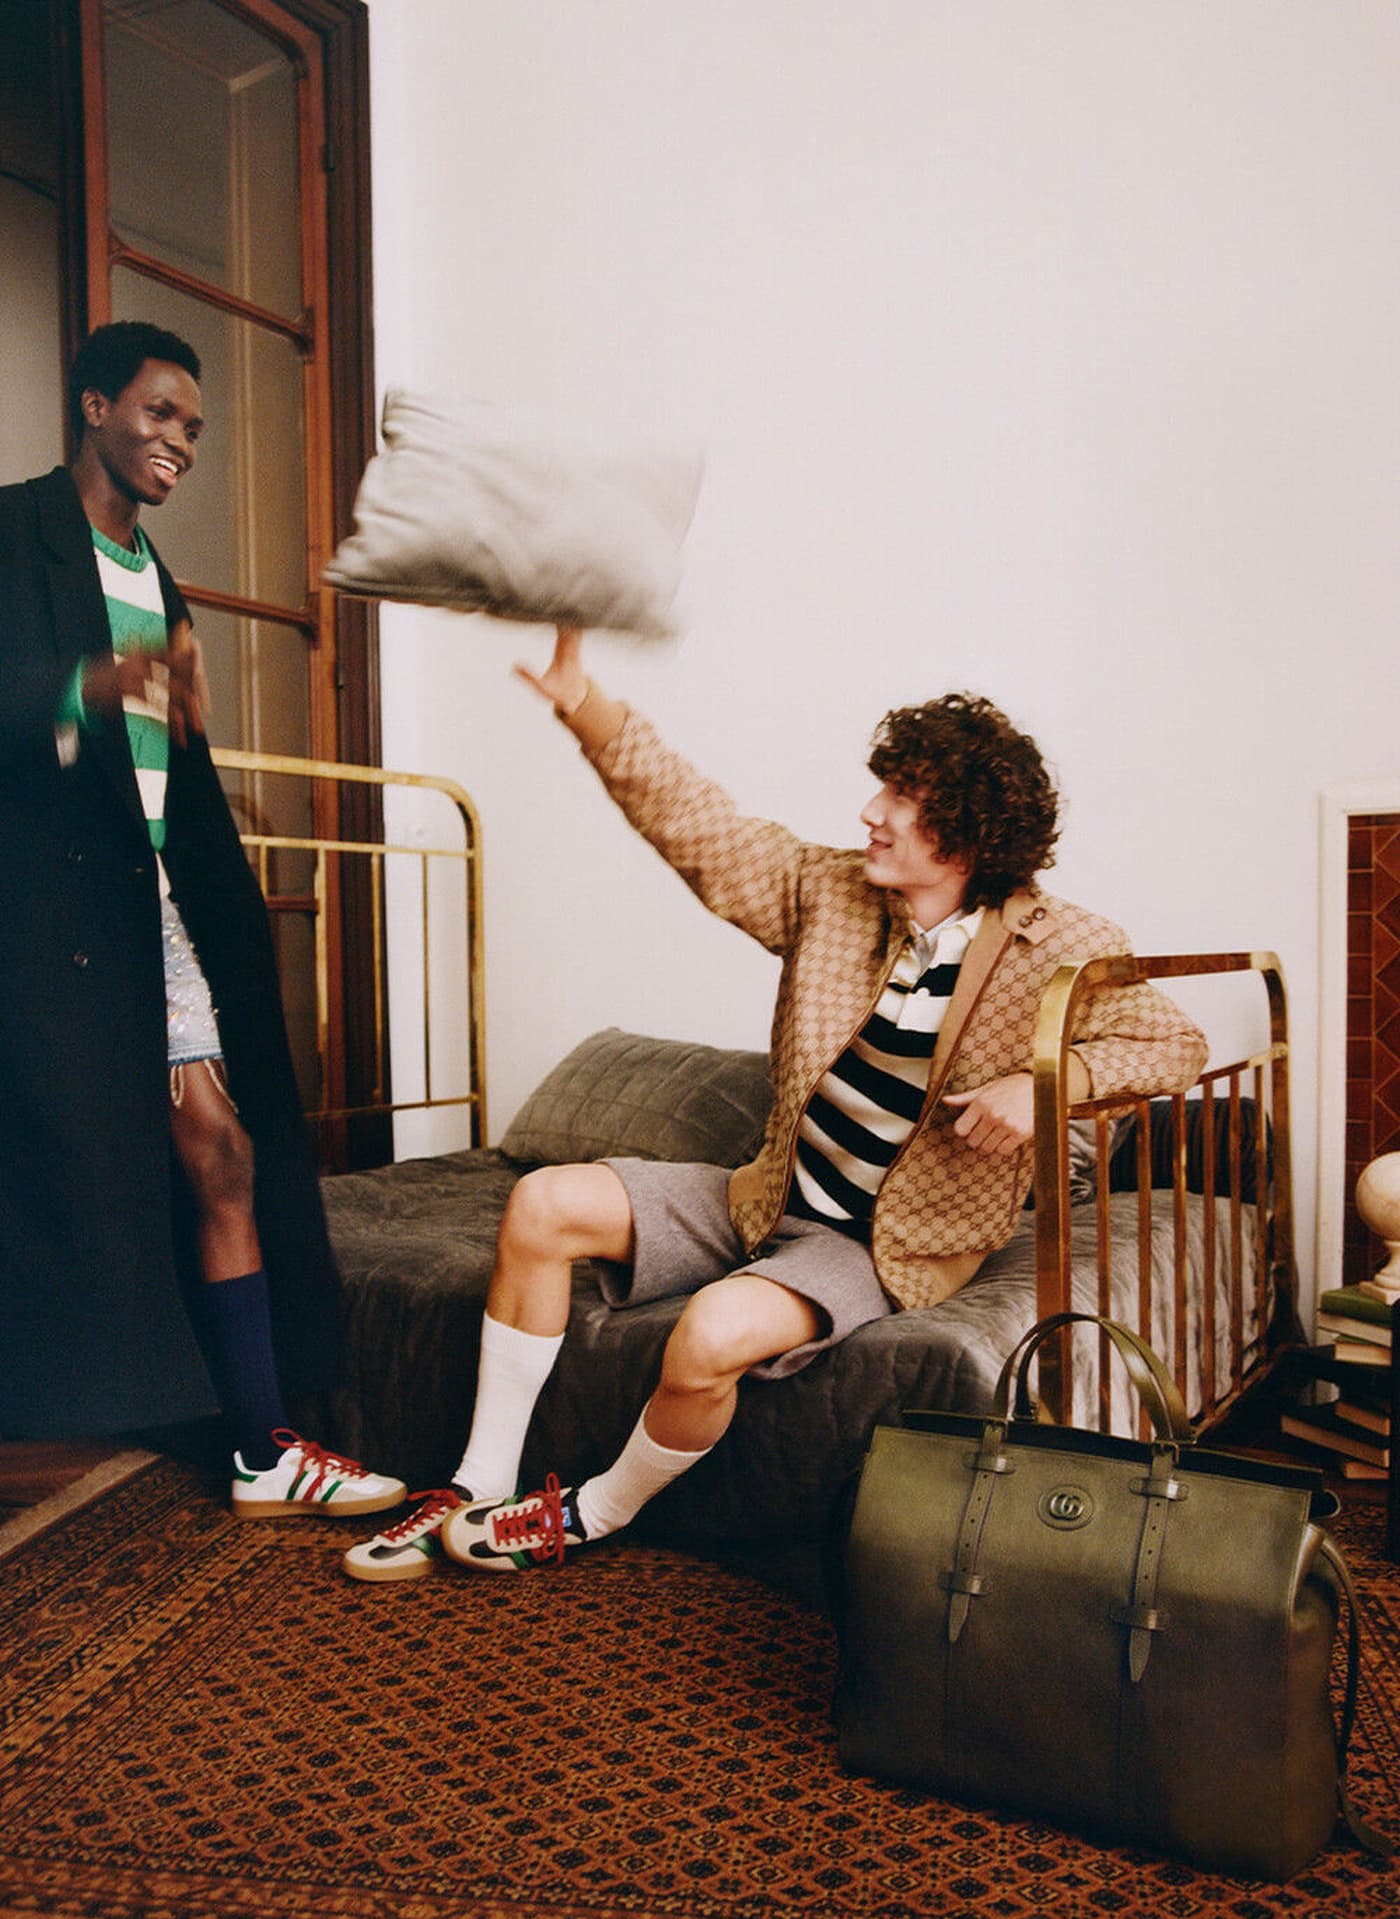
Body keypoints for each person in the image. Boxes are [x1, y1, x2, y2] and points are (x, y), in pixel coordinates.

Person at [343, 627, 1206, 1582]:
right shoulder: (825, 891)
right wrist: (589, 708)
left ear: (965, 832)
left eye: (903, 797)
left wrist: (1049, 1084)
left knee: (709, 1334)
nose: (871, 811)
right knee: (542, 1203)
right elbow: (696, 821)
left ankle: (593, 1512)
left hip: (880, 1244)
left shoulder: (1062, 946)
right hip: (765, 1196)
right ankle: (476, 1484)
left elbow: (1176, 1043)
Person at [0, 319, 405, 1521]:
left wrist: (175, 730)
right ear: (93, 407)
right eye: (159, 411)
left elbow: (159, 765)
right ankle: (244, 1439)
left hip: (154, 904)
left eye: (192, 426)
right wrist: (89, 686)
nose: (179, 438)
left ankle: (260, 1445)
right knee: (76, 1174)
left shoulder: (154, 578)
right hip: (48, 922)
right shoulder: (15, 531)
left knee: (224, 1153)